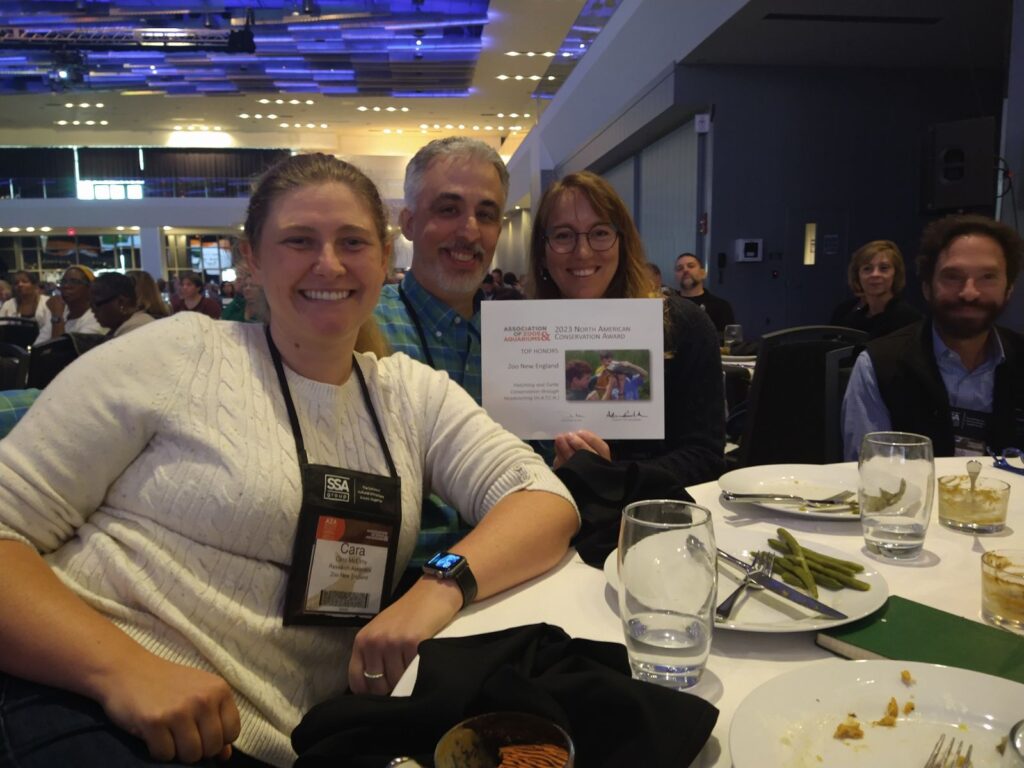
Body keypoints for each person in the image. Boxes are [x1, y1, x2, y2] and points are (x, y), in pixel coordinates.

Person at [0, 153, 578, 768]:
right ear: (252, 258)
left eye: (352, 242)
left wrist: (440, 585)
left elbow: (541, 499)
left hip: (282, 740)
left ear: (384, 260)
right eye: (299, 240)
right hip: (84, 700)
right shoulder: (180, 352)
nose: (328, 264)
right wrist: (123, 671)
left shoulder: (410, 394)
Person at [529, 171, 726, 485]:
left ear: (623, 241)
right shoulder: (516, 337)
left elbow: (705, 456)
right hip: (540, 516)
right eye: (564, 235)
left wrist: (614, 476)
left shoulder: (683, 325)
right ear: (542, 249)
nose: (582, 252)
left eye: (600, 233)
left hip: (645, 518)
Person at [842, 214, 1024, 459]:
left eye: (987, 277)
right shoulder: (878, 366)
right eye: (952, 277)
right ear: (927, 287)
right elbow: (872, 477)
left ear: (1008, 289)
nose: (969, 292)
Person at [373, 136, 508, 405]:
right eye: (448, 210)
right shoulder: (365, 327)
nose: (470, 233)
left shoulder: (515, 342)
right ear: (409, 224)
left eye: (485, 215)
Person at [830, 239, 922, 339]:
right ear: (857, 275)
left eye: (883, 268)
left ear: (895, 274)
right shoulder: (847, 317)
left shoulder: (909, 320)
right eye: (867, 269)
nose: (875, 274)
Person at [674, 252, 736, 334]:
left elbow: (727, 342)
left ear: (703, 273)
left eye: (691, 266)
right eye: (679, 268)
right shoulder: (668, 305)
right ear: (676, 277)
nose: (685, 270)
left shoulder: (721, 306)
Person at [46, 265, 106, 338]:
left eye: (74, 282)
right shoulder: (63, 312)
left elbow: (59, 348)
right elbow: (39, 343)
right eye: (63, 281)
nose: (66, 286)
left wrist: (57, 317)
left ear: (90, 287)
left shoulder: (97, 319)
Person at [89, 272, 155, 337]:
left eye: (96, 304)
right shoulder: (130, 325)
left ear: (121, 302)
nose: (92, 310)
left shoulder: (135, 330)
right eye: (90, 305)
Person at [0, 270, 53, 344]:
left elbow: (49, 329)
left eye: (24, 281)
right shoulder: (8, 304)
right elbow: (2, 327)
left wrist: (35, 348)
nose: (20, 285)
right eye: (16, 283)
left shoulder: (47, 302)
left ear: (34, 285)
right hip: (15, 347)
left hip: (42, 345)